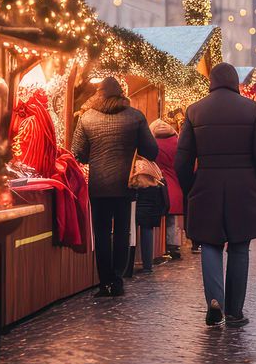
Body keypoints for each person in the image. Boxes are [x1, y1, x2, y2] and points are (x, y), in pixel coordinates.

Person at [175, 63, 256, 328]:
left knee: (210, 244)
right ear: (235, 82)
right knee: (240, 247)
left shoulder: (195, 110)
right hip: (244, 185)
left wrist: (191, 187)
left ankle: (214, 300)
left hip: (207, 183)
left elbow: (182, 158)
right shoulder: (252, 109)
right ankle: (234, 311)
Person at [71, 76, 159, 298]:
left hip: (99, 185)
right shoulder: (135, 116)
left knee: (101, 233)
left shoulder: (87, 118)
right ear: (121, 94)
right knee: (122, 231)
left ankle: (105, 283)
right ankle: (117, 280)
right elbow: (152, 151)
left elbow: (78, 153)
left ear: (98, 93)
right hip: (125, 184)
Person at [150, 118, 185, 260]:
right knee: (172, 219)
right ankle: (173, 246)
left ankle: (157, 248)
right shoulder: (177, 142)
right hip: (174, 184)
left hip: (156, 183)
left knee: (157, 217)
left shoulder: (152, 143)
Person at [135, 173, 169, 273]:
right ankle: (147, 266)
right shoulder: (153, 166)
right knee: (147, 228)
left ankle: (127, 268)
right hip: (152, 193)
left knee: (130, 230)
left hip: (139, 190)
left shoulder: (137, 164)